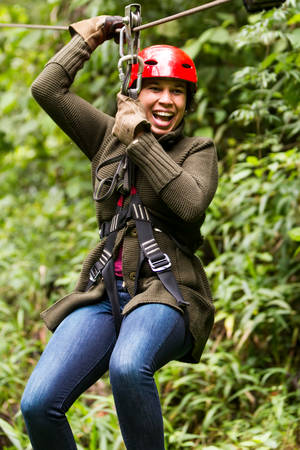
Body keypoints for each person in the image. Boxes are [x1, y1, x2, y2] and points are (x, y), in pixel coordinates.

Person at [21, 14, 218, 450]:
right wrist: (87, 39)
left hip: (167, 292)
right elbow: (46, 89)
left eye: (178, 92)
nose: (166, 100)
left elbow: (190, 205)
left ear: (188, 101)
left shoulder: (197, 150)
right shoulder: (103, 138)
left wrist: (141, 140)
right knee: (38, 404)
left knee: (129, 367)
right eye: (155, 88)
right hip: (105, 293)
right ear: (134, 91)